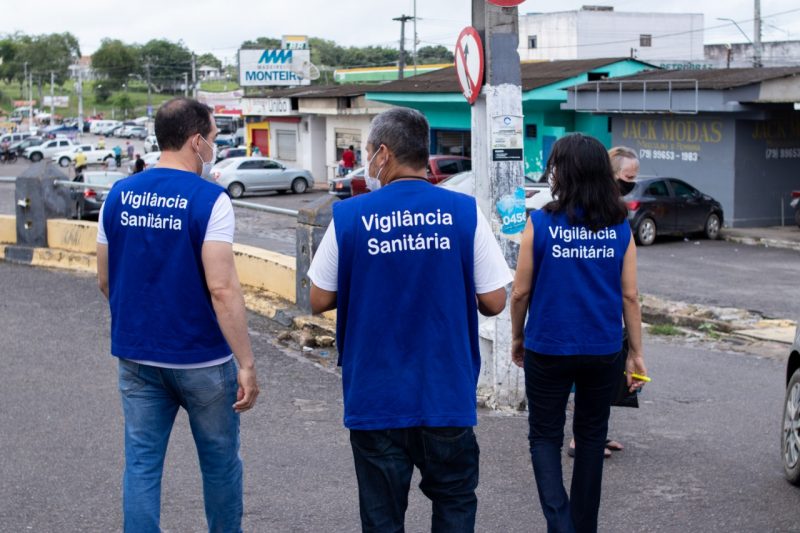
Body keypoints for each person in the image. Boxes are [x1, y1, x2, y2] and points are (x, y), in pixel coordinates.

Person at [308, 107, 512, 533]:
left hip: (375, 396)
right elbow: (494, 301)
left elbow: (318, 297)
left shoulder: (349, 216)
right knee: (455, 503)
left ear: (382, 154)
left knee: (382, 519)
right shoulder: (464, 212)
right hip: (446, 394)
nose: (367, 160)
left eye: (366, 152)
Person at [96, 97, 260, 532]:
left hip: (137, 357)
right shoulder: (211, 200)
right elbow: (222, 289)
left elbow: (105, 279)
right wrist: (245, 362)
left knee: (142, 465)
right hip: (202, 360)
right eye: (213, 138)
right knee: (221, 464)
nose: (215, 146)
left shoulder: (118, 194)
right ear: (195, 141)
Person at [510, 133, 648, 533]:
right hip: (603, 348)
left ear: (563, 172)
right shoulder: (620, 225)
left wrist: (518, 337)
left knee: (544, 437)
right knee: (590, 437)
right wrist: (635, 353)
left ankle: (560, 522)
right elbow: (630, 296)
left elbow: (520, 292)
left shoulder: (540, 223)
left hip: (547, 345)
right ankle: (583, 526)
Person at [568, 145, 641, 459]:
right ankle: (581, 441)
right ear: (610, 174)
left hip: (601, 303)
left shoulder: (611, 208)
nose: (631, 183)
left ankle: (594, 434)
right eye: (628, 177)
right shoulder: (602, 211)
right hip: (595, 304)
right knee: (592, 373)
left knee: (599, 375)